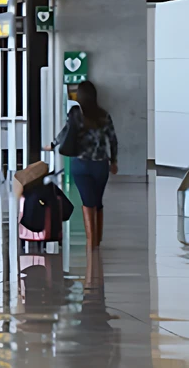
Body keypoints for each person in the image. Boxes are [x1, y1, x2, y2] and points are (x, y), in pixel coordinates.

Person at [48, 80, 117, 250]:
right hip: (100, 165)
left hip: (80, 164)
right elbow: (113, 139)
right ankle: (96, 241)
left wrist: (52, 144)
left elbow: (65, 132)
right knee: (97, 202)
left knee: (88, 202)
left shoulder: (75, 114)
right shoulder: (104, 115)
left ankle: (91, 242)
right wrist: (114, 160)